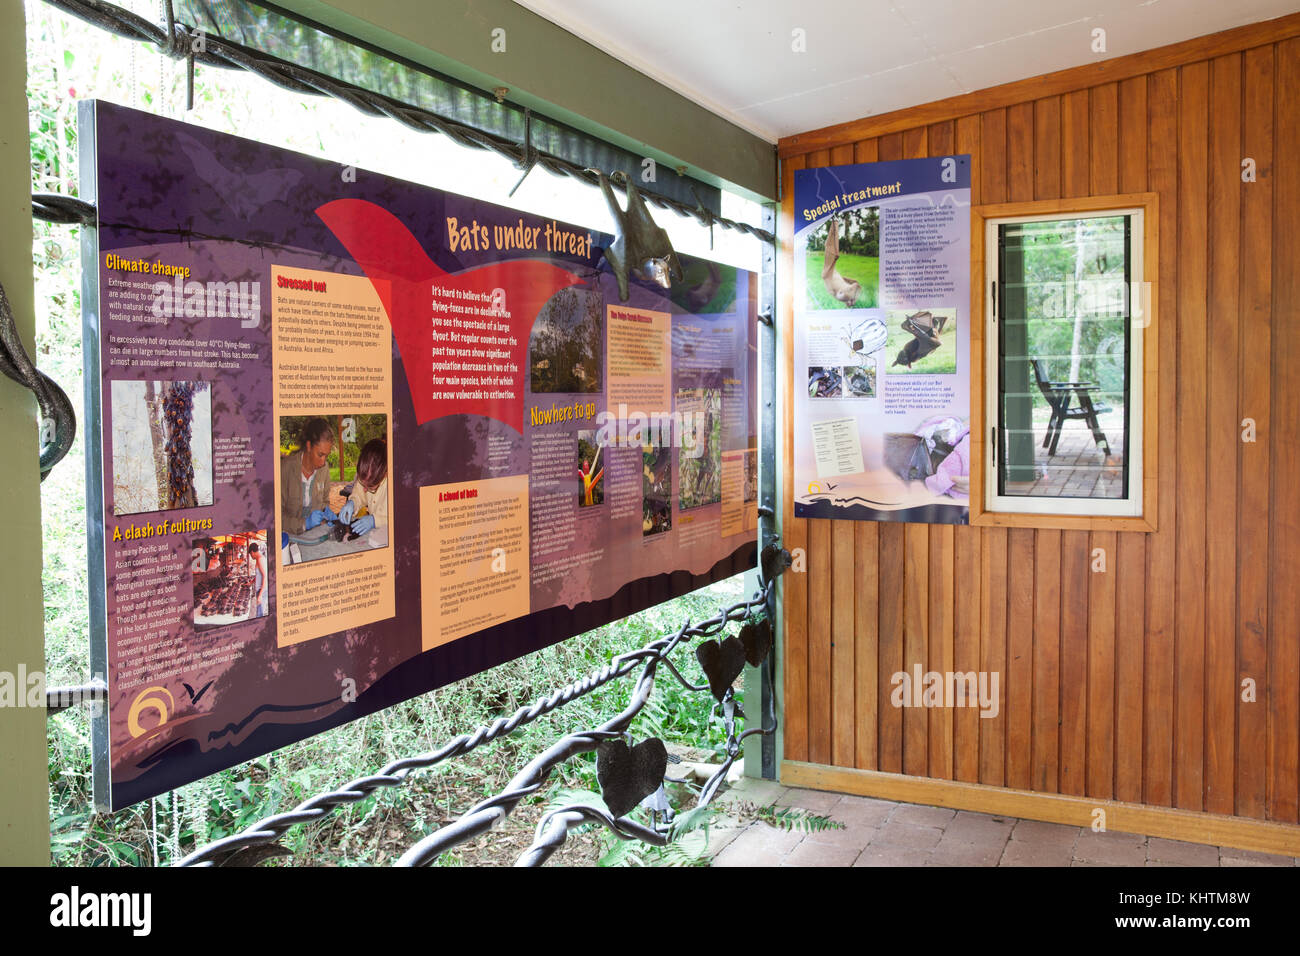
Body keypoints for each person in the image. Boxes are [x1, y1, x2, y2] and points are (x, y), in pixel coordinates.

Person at [281, 418, 336, 535]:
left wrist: (326, 513)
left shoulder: (324, 470)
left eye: (326, 456)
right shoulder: (285, 469)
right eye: (320, 455)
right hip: (289, 536)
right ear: (309, 446)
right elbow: (276, 517)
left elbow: (324, 501)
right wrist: (304, 524)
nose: (323, 462)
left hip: (313, 535)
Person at [339, 438, 388, 537]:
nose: (365, 490)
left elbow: (402, 518)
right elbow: (359, 494)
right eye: (363, 484)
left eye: (370, 487)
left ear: (385, 474)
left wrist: (375, 521)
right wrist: (353, 502)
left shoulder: (398, 484)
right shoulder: (366, 477)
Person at [248, 541, 268, 617]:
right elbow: (258, 575)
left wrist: (260, 595)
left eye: (250, 554)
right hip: (260, 590)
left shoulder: (260, 560)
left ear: (252, 552)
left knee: (260, 614)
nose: (251, 556)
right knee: (259, 611)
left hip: (262, 591)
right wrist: (251, 582)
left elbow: (265, 576)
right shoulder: (258, 559)